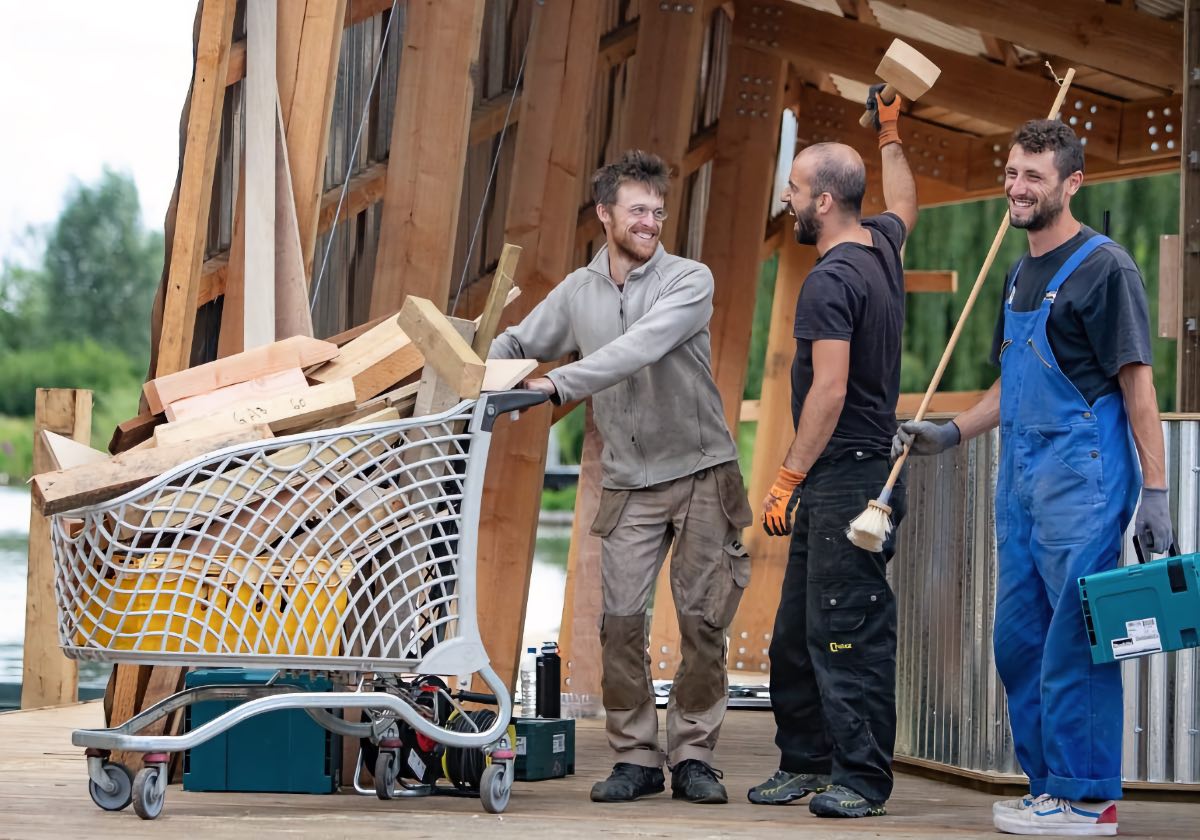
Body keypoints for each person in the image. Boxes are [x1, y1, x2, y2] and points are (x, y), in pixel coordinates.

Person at [896, 119, 1173, 837]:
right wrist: (953, 431)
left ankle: (1090, 799)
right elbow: (1010, 383)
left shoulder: (1105, 268)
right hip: (1021, 481)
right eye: (1013, 173)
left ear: (1072, 183)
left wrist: (1158, 491)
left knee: (1075, 640)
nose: (1017, 189)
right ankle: (1049, 786)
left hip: (1082, 481)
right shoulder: (1020, 271)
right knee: (1019, 639)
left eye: (1034, 177)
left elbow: (1138, 384)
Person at [489, 149, 753, 805]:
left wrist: (554, 386)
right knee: (619, 623)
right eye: (638, 210)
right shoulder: (577, 292)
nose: (651, 222)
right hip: (630, 481)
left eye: (658, 212)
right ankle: (636, 758)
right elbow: (518, 342)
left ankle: (693, 755)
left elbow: (635, 351)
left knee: (702, 623)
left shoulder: (688, 280)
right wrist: (486, 377)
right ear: (605, 214)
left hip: (700, 473)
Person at [747, 89, 917, 819]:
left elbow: (830, 391)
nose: (786, 199)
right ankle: (806, 761)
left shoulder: (829, 281)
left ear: (821, 203)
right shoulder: (879, 242)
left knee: (848, 633)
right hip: (847, 479)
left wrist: (786, 477)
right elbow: (907, 202)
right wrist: (890, 133)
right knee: (798, 633)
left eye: (793, 190)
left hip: (847, 479)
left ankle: (861, 779)